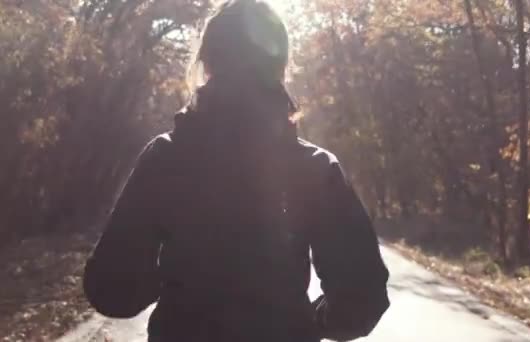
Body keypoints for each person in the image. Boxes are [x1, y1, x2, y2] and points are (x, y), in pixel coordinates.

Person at [82, 1, 390, 341]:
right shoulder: (314, 168)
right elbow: (362, 300)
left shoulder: (165, 158)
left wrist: (172, 282)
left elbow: (109, 289)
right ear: (280, 67)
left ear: (206, 63)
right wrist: (306, 323)